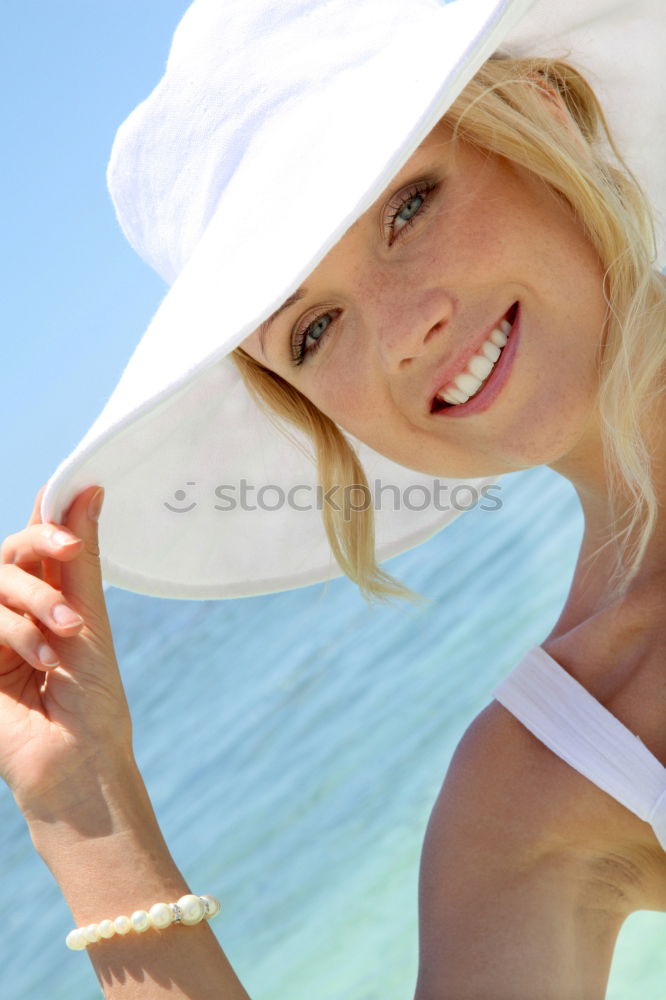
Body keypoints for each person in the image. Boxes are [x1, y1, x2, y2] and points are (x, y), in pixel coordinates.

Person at [1, 0, 664, 997]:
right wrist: (86, 812)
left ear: (545, 110)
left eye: (409, 205)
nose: (404, 329)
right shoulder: (557, 771)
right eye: (314, 330)